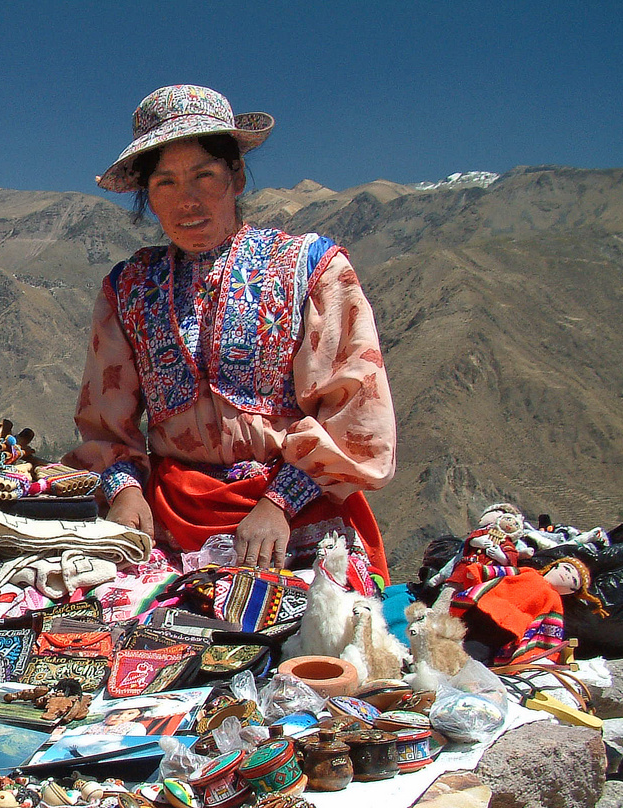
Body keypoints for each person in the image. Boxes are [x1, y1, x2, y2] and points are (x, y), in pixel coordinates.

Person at [66, 85, 396, 580]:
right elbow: (104, 422)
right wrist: (126, 492)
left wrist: (279, 504)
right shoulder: (127, 289)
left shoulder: (310, 268)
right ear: (147, 196)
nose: (188, 200)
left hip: (296, 514)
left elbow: (355, 408)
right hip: (168, 520)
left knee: (315, 638)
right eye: (166, 184)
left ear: (236, 176)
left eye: (205, 176)